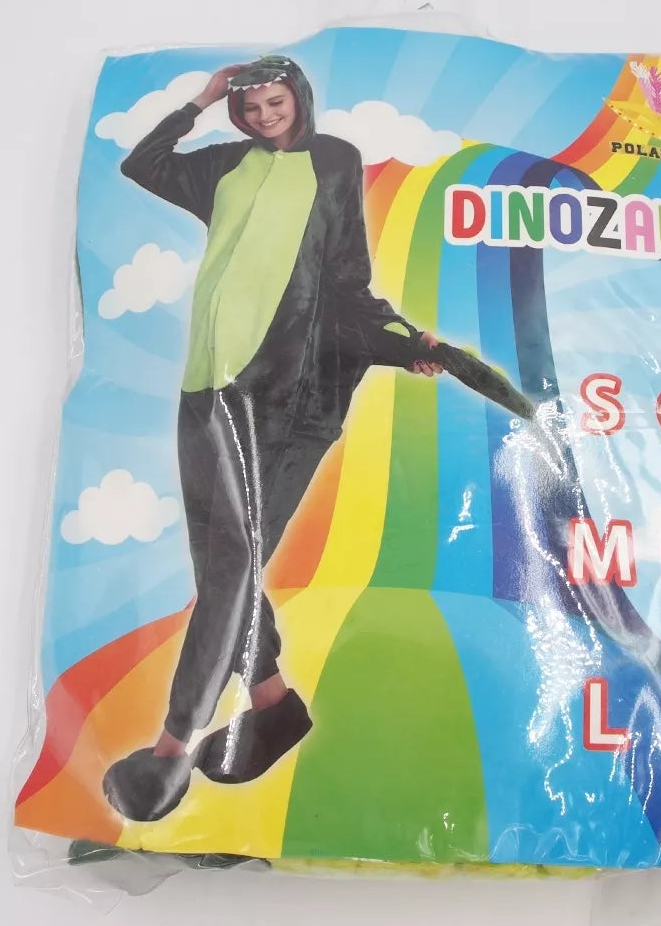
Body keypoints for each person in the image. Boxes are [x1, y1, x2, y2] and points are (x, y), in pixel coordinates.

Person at [102, 56, 441, 822]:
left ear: (298, 97)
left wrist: (400, 341)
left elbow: (347, 278)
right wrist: (201, 97)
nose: (264, 116)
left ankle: (172, 747)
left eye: (275, 101)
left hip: (285, 399)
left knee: (230, 567)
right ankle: (272, 702)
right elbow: (141, 163)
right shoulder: (223, 165)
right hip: (205, 385)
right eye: (250, 106)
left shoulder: (333, 161)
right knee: (218, 560)